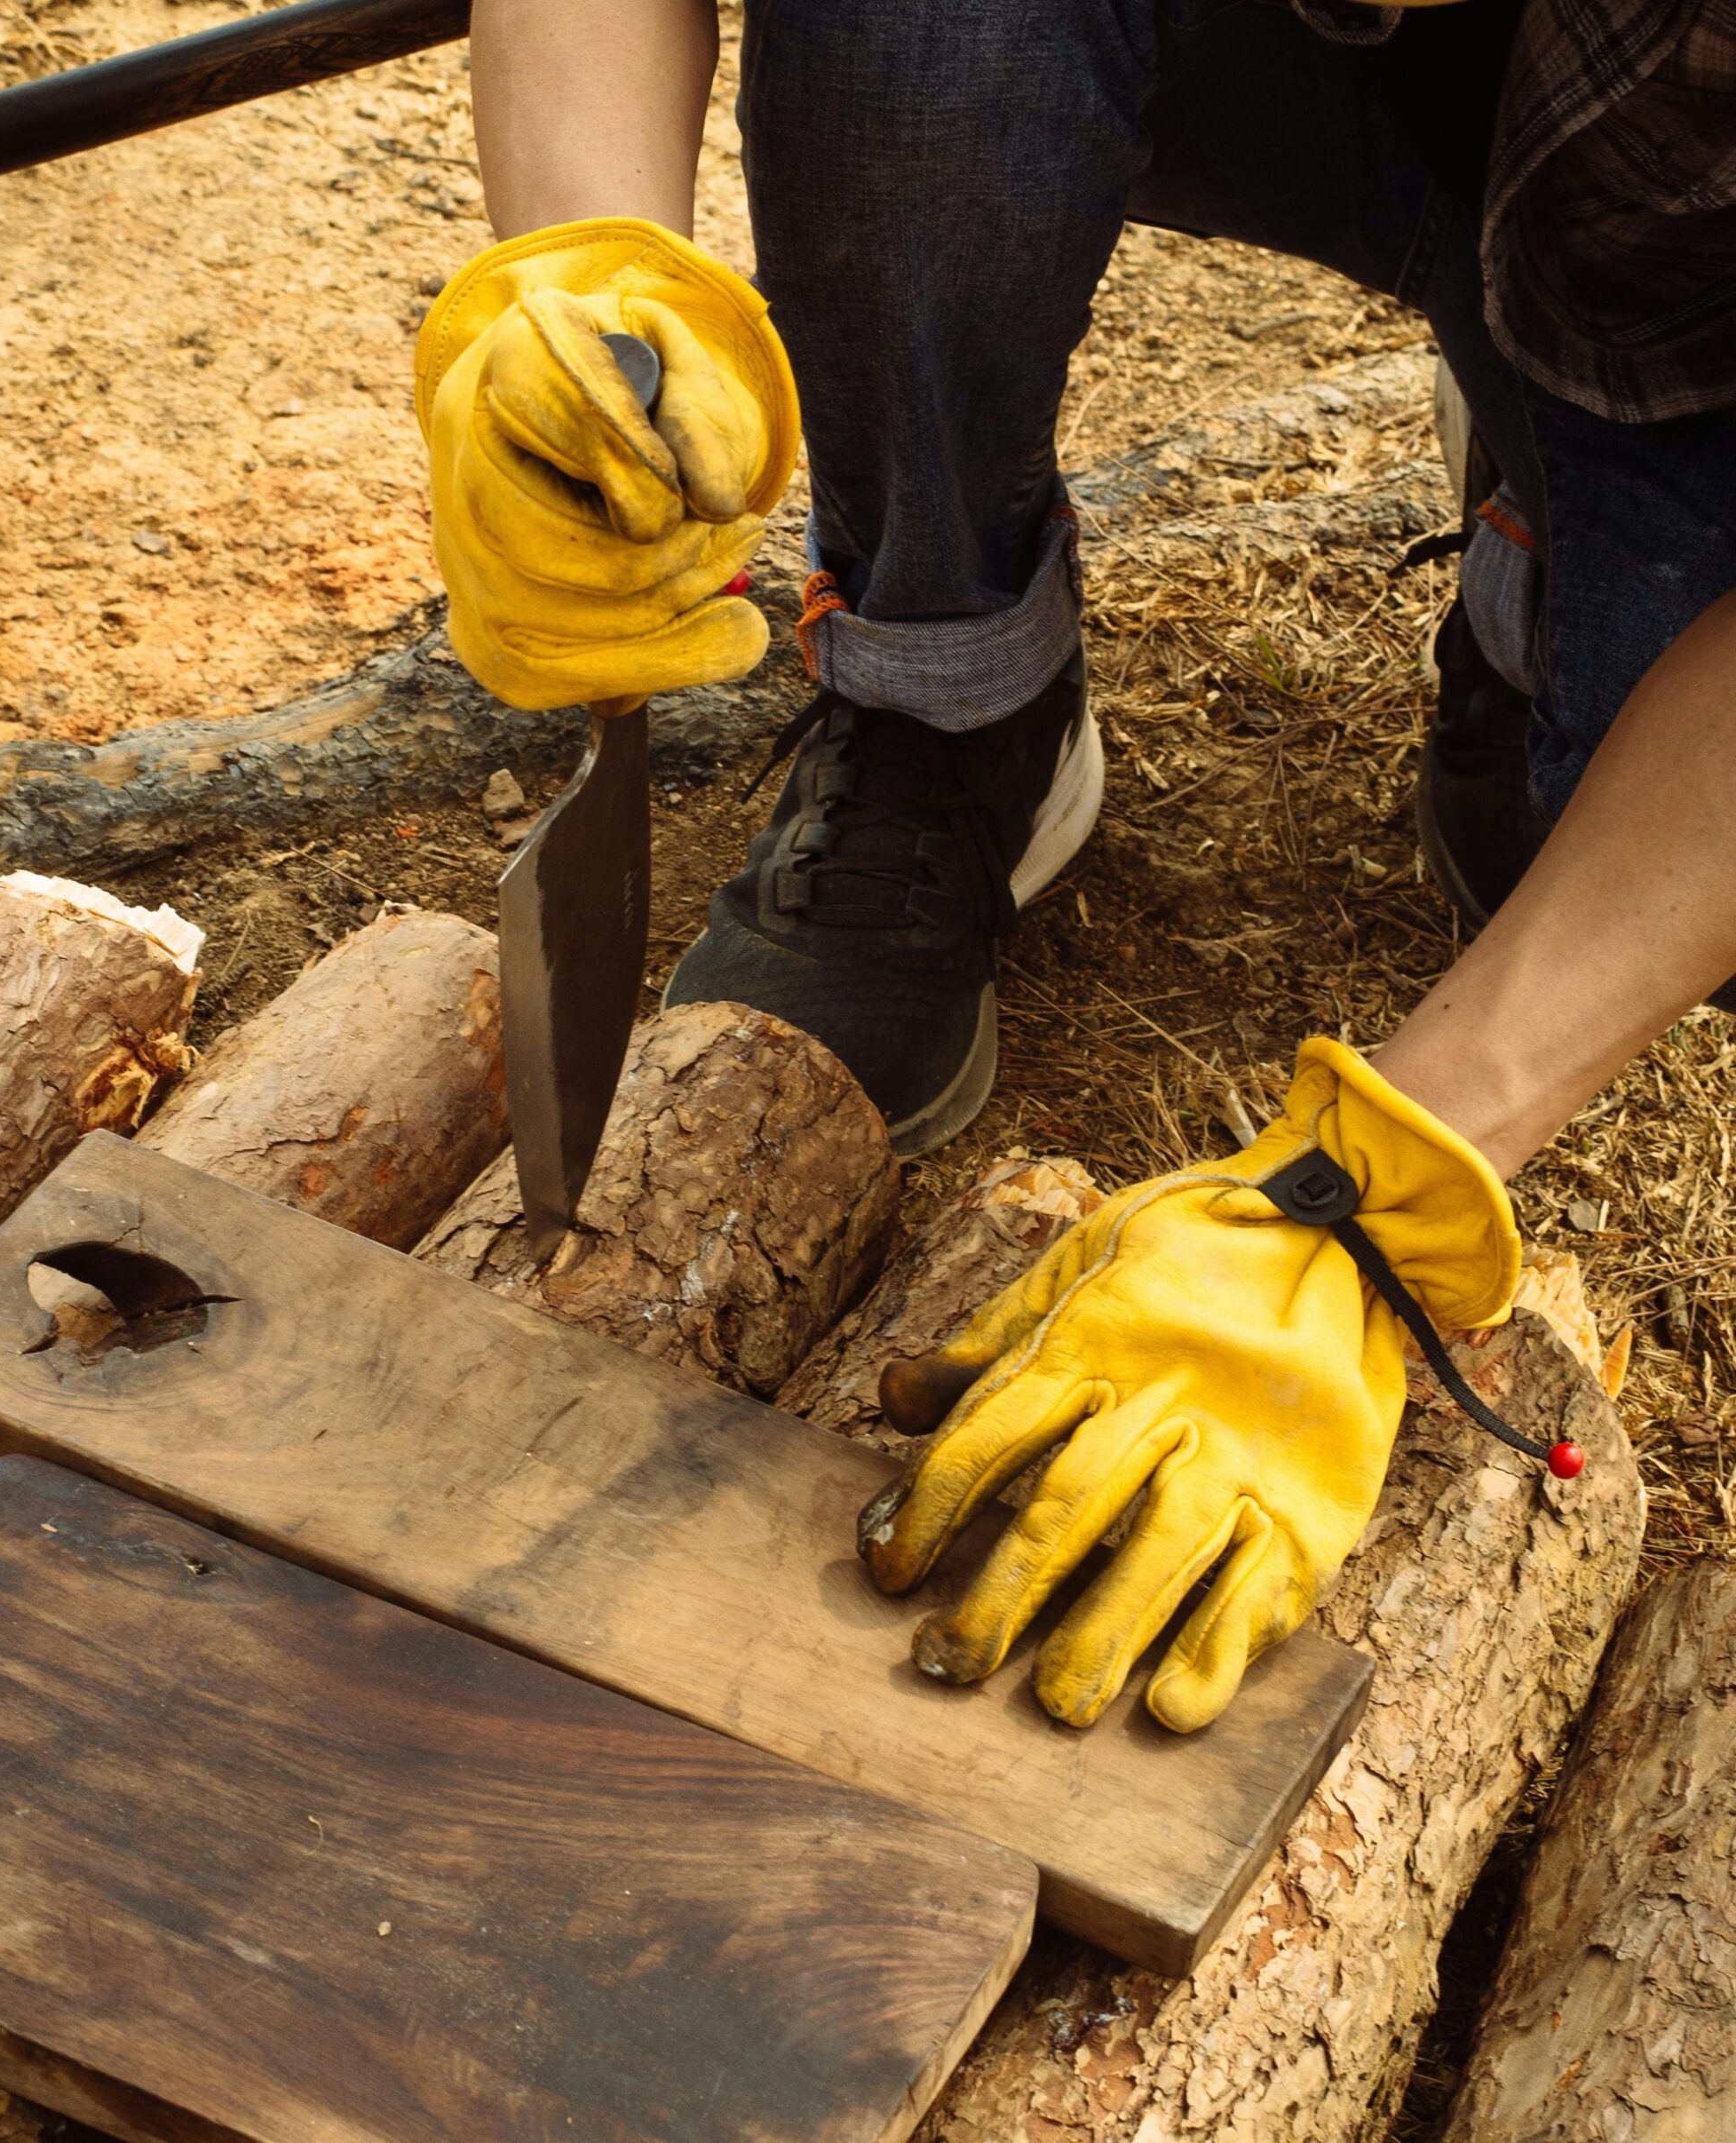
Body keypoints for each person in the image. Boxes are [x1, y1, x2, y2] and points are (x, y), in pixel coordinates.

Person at [416, 0, 1736, 1731]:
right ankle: (951, 713)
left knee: (1618, 796)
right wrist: (584, 280)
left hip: (1672, 217)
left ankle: (1539, 577)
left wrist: (1381, 1179)